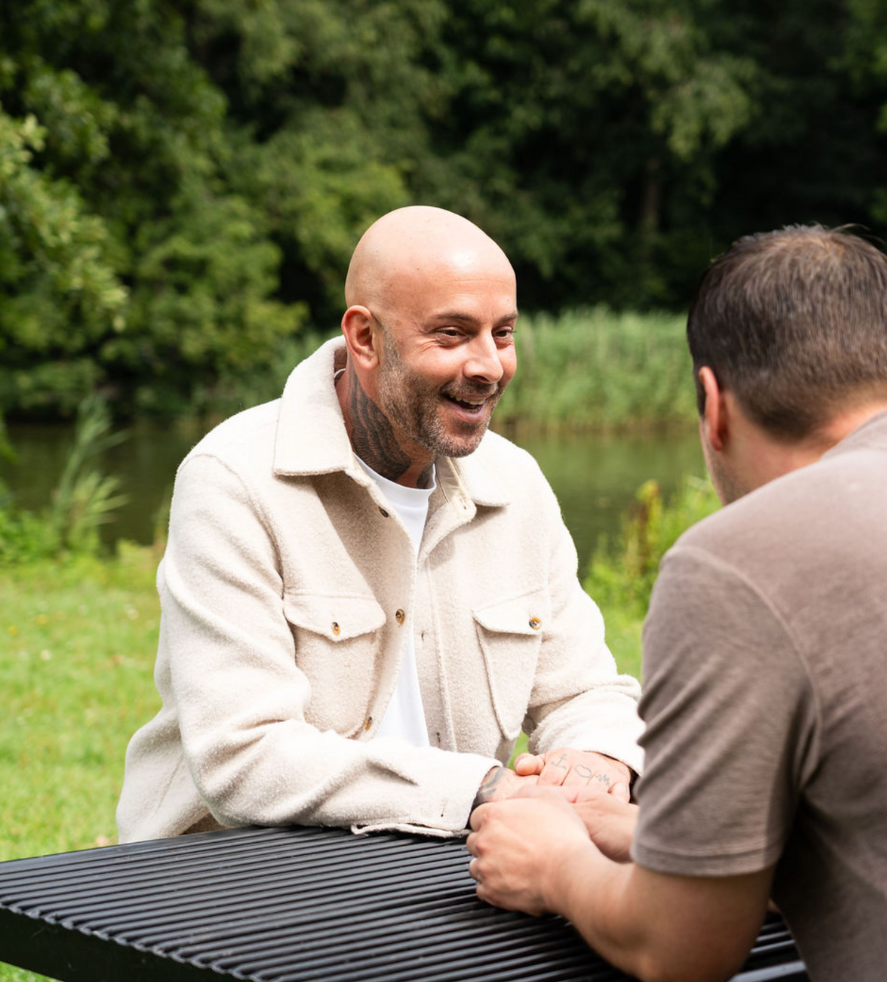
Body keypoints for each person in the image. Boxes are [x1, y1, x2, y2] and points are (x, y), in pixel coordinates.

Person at [466, 225, 887, 982]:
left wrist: (555, 862)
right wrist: (646, 836)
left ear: (714, 407)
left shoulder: (734, 560)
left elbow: (681, 947)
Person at [116, 206, 644, 843]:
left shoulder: (517, 483)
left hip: (447, 859)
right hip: (234, 872)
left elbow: (585, 692)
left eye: (502, 334)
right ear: (365, 338)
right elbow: (243, 757)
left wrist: (595, 761)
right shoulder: (233, 479)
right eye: (452, 334)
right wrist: (481, 790)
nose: (489, 365)